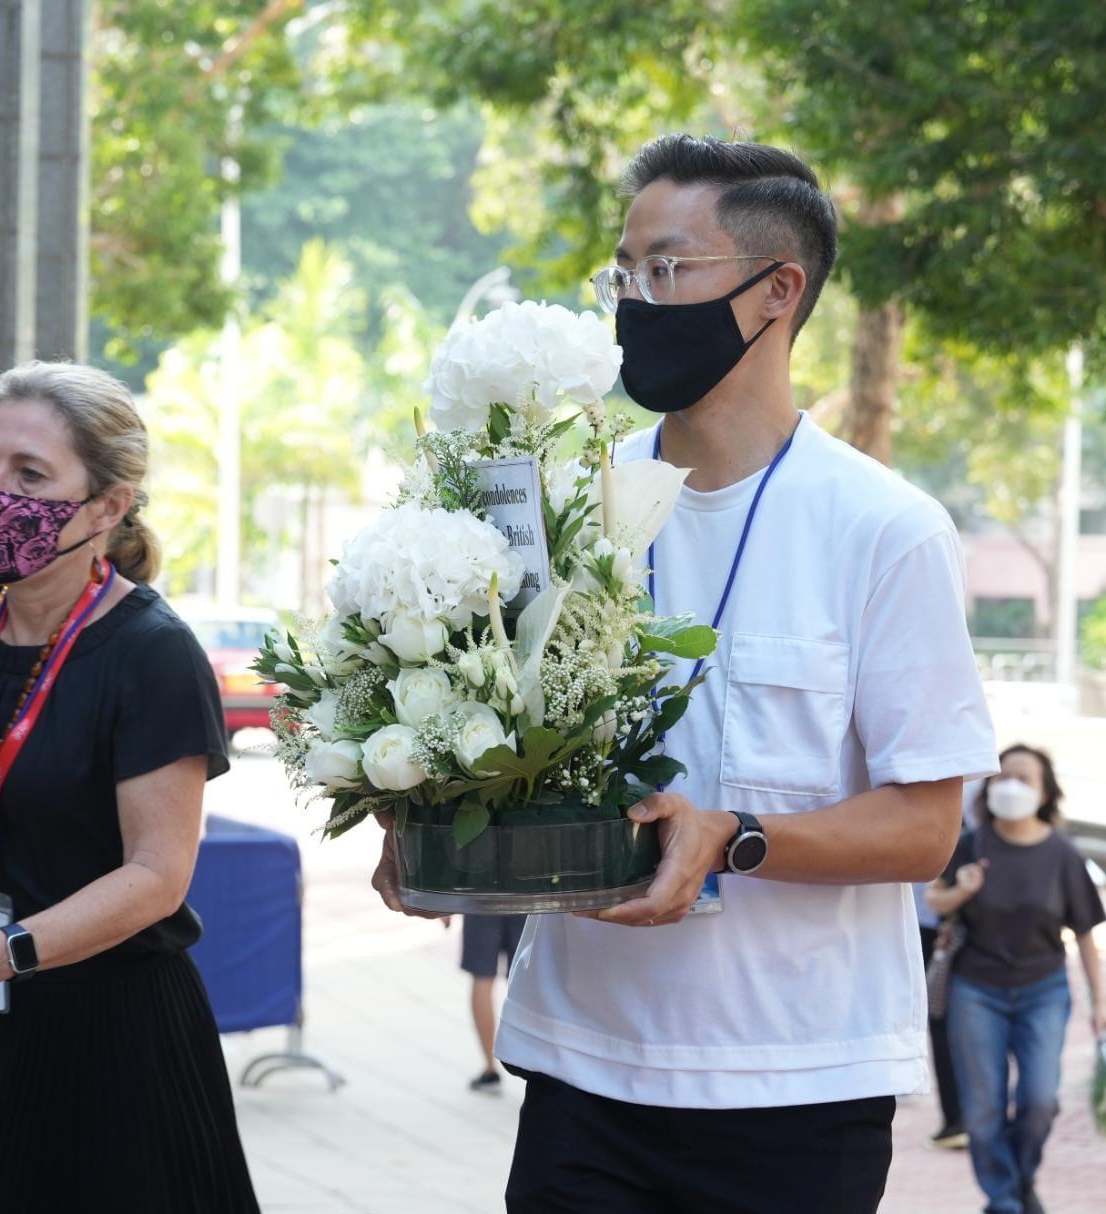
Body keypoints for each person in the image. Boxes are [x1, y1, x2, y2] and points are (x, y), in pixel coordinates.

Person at [371, 134, 998, 1212]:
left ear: (774, 292)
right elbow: (485, 719)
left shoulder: (884, 530)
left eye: (665, 270)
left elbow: (925, 826)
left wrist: (736, 835)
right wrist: (429, 818)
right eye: (622, 273)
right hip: (582, 1067)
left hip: (797, 1087)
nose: (633, 302)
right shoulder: (558, 505)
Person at [0, 361, 258, 1212]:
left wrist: (2, 952)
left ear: (109, 507)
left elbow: (158, 874)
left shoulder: (153, 652)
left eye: (31, 474)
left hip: (111, 1035)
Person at [925, 744, 1106, 1214]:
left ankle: (1022, 1177)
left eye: (1024, 778)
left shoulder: (1062, 853)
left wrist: (1100, 1004)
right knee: (983, 1108)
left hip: (1043, 990)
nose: (1011, 786)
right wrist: (961, 889)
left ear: (1045, 791)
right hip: (976, 989)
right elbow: (935, 902)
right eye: (1002, 776)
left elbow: (1085, 933)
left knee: (1040, 1099)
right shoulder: (970, 844)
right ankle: (1003, 1199)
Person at [913, 880, 968, 1149]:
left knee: (941, 1017)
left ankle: (958, 1119)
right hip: (940, 921)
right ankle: (958, 1119)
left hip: (942, 924)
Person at [461, 914, 528, 1092]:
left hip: (480, 897)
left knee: (482, 979)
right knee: (525, 982)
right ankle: (535, 1067)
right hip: (525, 896)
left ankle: (490, 1070)